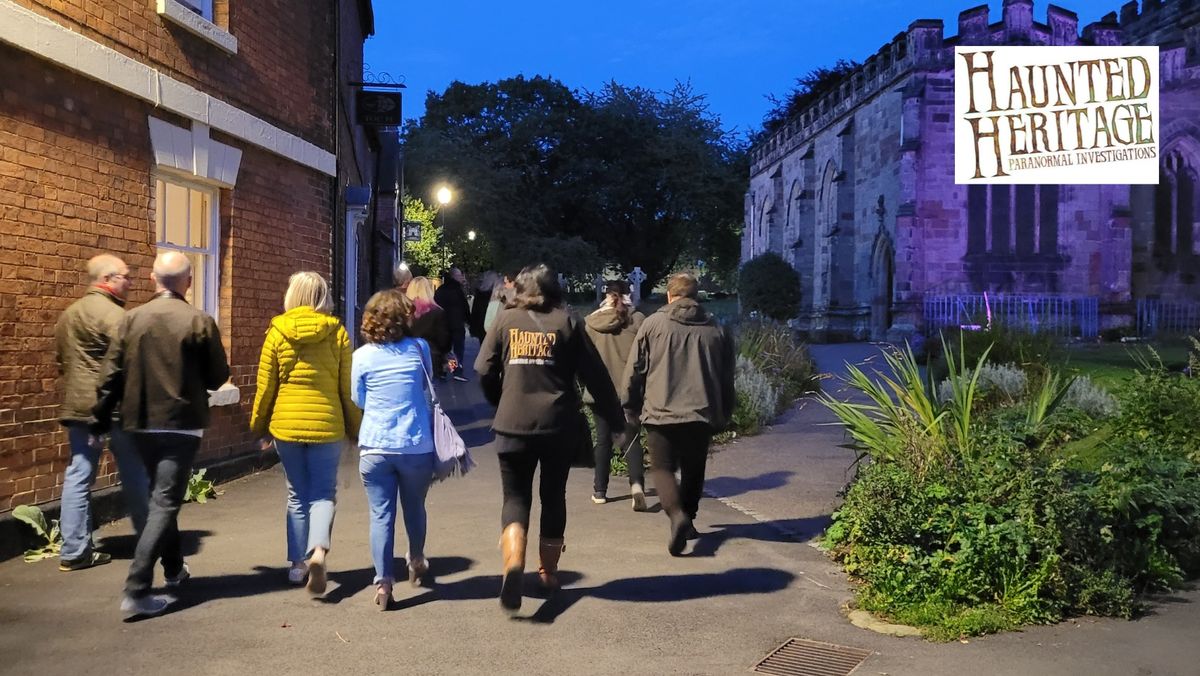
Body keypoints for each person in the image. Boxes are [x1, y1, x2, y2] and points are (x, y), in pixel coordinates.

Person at [475, 263, 623, 612]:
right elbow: (596, 376)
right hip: (558, 425)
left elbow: (483, 368)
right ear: (554, 290)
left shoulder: (506, 320)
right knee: (553, 496)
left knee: (515, 497)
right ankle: (547, 572)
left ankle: (513, 564)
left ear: (521, 290)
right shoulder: (567, 322)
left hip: (513, 424)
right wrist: (617, 421)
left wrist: (501, 400)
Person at [92, 251, 230, 620]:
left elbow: (109, 376)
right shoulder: (199, 321)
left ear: (153, 279)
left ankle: (173, 569)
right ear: (187, 281)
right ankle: (137, 587)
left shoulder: (131, 319)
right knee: (165, 501)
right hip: (181, 423)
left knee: (160, 498)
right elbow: (218, 377)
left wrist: (99, 422)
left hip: (137, 421)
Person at [249, 271, 361, 594]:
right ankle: (319, 551)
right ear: (322, 297)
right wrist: (355, 428)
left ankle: (297, 566)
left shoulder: (277, 333)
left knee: (297, 494)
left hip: (286, 424)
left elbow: (265, 387)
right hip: (327, 424)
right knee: (323, 494)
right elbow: (347, 387)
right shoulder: (337, 333)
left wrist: (259, 426)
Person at [621, 272, 734, 556]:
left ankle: (676, 515)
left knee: (662, 469)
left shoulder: (652, 325)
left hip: (661, 411)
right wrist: (724, 411)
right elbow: (726, 377)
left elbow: (635, 370)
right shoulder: (717, 329)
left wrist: (630, 405)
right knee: (695, 468)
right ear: (696, 296)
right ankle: (690, 517)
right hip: (701, 412)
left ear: (669, 295)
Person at [55, 254, 150, 571]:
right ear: (108, 279)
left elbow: (61, 361)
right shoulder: (116, 316)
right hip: (115, 409)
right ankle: (152, 542)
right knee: (135, 473)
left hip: (79, 407)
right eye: (126, 276)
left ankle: (73, 551)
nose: (130, 282)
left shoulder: (68, 315)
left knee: (79, 475)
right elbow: (133, 361)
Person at [351, 290, 437, 610]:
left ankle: (384, 583)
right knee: (414, 508)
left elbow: (358, 399)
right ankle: (415, 559)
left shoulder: (361, 356)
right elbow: (428, 390)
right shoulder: (419, 349)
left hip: (375, 445)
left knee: (380, 515)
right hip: (414, 444)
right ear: (404, 319)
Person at [583, 280, 647, 509]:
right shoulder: (638, 320)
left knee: (602, 442)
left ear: (606, 295)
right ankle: (637, 485)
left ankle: (600, 491)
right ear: (629, 294)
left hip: (599, 392)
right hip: (628, 390)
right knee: (631, 439)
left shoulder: (590, 322)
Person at [406, 276, 452, 378]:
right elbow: (443, 339)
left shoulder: (405, 311)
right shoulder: (437, 312)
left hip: (407, 355)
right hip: (431, 357)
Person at [433, 267, 470, 382]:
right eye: (459, 275)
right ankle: (456, 370)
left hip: (443, 325)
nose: (461, 277)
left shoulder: (440, 289)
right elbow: (464, 307)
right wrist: (468, 320)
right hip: (456, 325)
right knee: (457, 350)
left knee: (446, 350)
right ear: (454, 276)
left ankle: (443, 371)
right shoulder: (458, 290)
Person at [469, 271, 500, 341]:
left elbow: (475, 313)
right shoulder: (494, 296)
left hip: (481, 329)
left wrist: (473, 329)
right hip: (492, 329)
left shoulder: (479, 294)